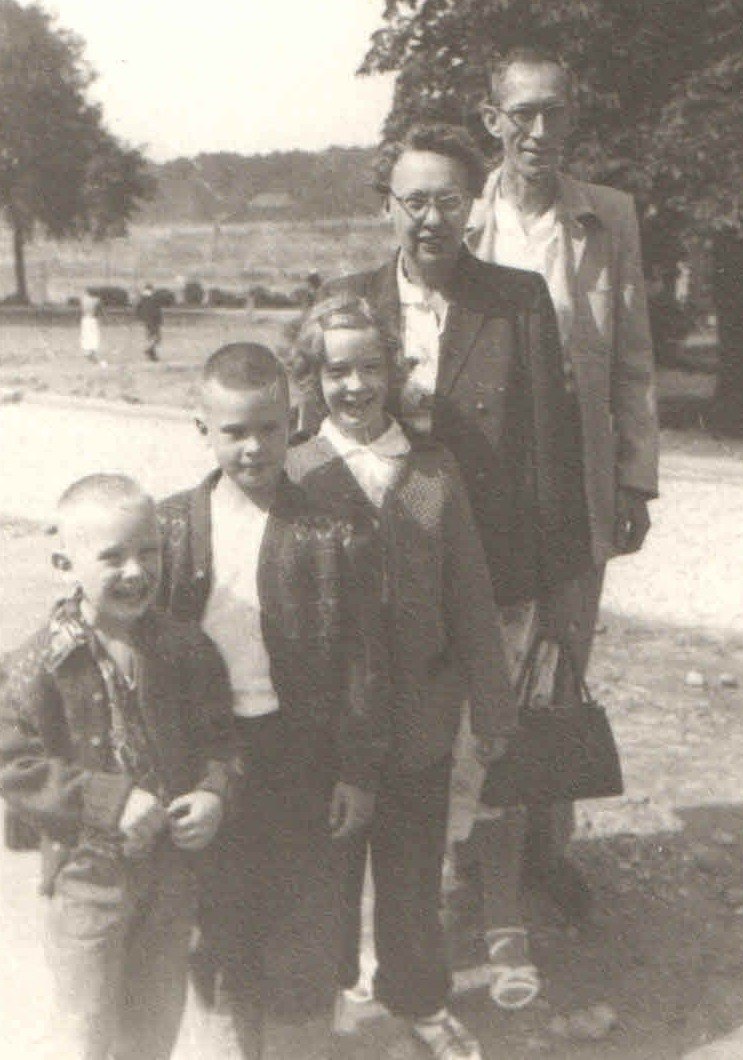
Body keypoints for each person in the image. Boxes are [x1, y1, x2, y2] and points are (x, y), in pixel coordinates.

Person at [307, 123, 592, 1019]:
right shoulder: (349, 297)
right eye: (412, 198)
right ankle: (371, 936)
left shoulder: (516, 299)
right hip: (367, 582)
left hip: (492, 571)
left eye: (448, 199)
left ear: (474, 205)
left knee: (493, 749)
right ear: (386, 203)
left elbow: (551, 446)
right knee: (380, 753)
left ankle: (501, 914)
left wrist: (553, 592)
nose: (430, 217)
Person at [287, 293, 518, 1060]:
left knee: (414, 874)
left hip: (422, 715)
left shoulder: (431, 469)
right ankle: (325, 998)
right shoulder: (295, 472)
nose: (354, 386)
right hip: (327, 729)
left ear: (394, 369)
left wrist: (491, 705)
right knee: (328, 870)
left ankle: (418, 999)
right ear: (312, 376)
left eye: (369, 367)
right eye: (336, 371)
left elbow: (473, 596)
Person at [156, 342, 390, 1060]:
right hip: (209, 761)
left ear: (293, 421)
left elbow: (364, 657)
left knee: (304, 924)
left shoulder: (332, 527)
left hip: (303, 758)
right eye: (233, 431)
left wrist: (356, 769)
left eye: (267, 427)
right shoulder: (170, 528)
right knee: (217, 925)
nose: (253, 447)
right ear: (202, 429)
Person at [471, 47, 659, 910]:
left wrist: (633, 481)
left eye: (557, 114)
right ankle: (464, 862)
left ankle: (547, 855)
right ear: (494, 119)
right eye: (525, 113)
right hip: (480, 491)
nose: (541, 132)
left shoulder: (607, 217)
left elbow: (632, 363)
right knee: (476, 668)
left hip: (575, 487)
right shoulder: (458, 218)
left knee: (561, 667)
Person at [0, 474, 236, 1060]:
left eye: (148, 551)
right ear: (64, 563)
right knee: (83, 1029)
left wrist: (214, 792)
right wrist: (107, 802)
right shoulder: (39, 662)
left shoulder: (187, 650)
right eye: (112, 556)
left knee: (153, 1026)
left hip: (171, 874)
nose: (136, 571)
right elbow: (14, 762)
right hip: (86, 879)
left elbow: (224, 740)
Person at [136, 284, 163, 361]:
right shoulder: (154, 299)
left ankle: (152, 353)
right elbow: (157, 311)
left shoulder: (142, 299)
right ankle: (149, 350)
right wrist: (160, 320)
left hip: (146, 320)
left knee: (151, 337)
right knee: (157, 338)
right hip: (154, 321)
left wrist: (140, 318)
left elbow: (138, 309)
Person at [80, 288, 104, 365]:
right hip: (93, 319)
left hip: (85, 319)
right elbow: (99, 311)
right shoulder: (97, 300)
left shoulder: (83, 300)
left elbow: (82, 310)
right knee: (94, 335)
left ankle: (87, 351)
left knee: (86, 335)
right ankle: (92, 351)